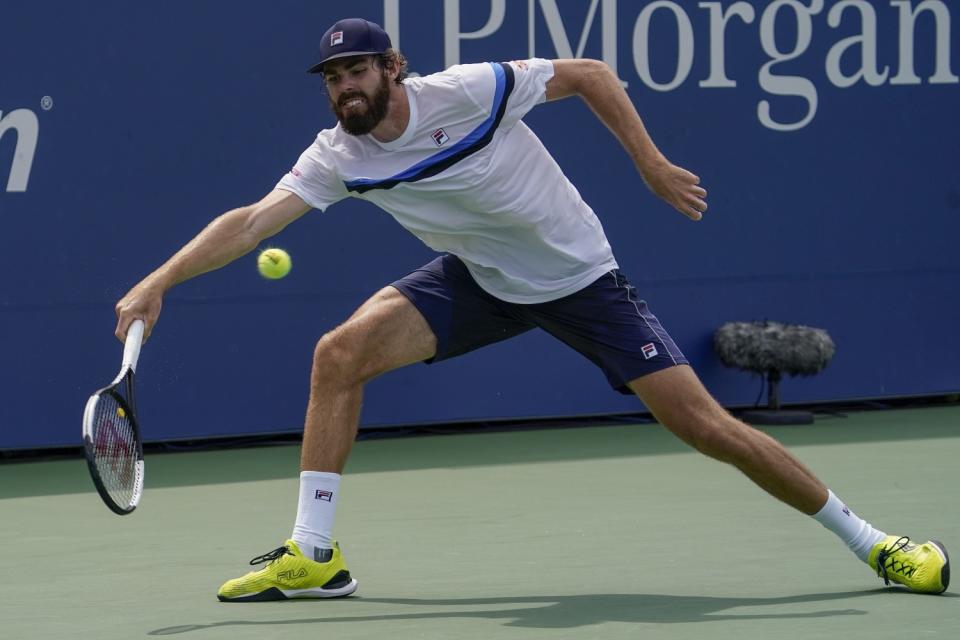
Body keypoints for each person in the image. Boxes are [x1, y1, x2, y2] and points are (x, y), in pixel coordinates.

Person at [114, 18, 949, 602]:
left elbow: (587, 75)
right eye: (332, 79)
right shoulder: (338, 156)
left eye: (356, 71)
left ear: (392, 68)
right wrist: (160, 279)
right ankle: (315, 552)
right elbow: (252, 221)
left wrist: (651, 167)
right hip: (480, 279)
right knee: (340, 352)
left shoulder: (468, 92)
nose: (344, 89)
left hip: (579, 280)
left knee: (708, 429)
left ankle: (875, 543)